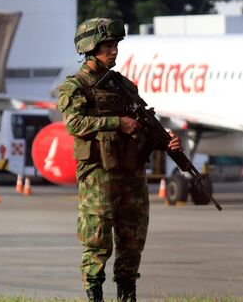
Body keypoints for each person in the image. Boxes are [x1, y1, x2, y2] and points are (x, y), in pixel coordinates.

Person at [57, 18, 183, 302]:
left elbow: (143, 126)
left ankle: (127, 295)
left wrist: (166, 143)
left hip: (132, 173)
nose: (113, 51)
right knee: (98, 240)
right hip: (99, 175)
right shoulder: (75, 87)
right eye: (106, 46)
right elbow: (74, 124)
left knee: (132, 240)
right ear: (90, 48)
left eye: (115, 45)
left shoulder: (125, 87)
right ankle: (95, 296)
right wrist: (117, 122)